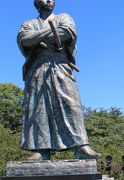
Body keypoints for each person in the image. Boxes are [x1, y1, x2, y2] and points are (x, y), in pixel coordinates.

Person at [17, 0, 101, 160]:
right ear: (36, 3)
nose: (49, 0)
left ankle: (81, 146)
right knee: (38, 108)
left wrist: (38, 38)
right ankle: (41, 150)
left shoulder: (64, 17)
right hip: (37, 68)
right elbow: (25, 39)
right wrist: (51, 33)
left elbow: (67, 32)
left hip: (60, 65)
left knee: (71, 103)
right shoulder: (29, 23)